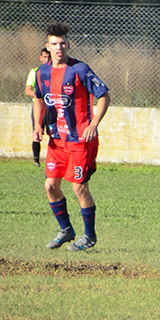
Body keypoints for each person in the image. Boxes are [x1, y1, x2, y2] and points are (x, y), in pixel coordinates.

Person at [32, 22, 111, 252]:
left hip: (80, 141)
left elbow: (104, 96)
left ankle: (89, 236)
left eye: (63, 43)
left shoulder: (80, 70)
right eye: (54, 44)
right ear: (47, 47)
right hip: (57, 141)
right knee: (50, 186)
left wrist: (94, 123)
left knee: (79, 187)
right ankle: (66, 230)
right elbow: (38, 98)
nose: (59, 47)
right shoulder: (41, 73)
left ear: (69, 44)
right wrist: (37, 126)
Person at [24, 48, 50, 166]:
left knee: (54, 134)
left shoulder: (57, 71)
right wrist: (39, 95)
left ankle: (53, 160)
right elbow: (27, 90)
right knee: (37, 133)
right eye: (44, 57)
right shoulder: (35, 72)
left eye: (48, 57)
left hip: (53, 107)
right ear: (40, 58)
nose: (47, 59)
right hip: (39, 107)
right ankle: (36, 161)